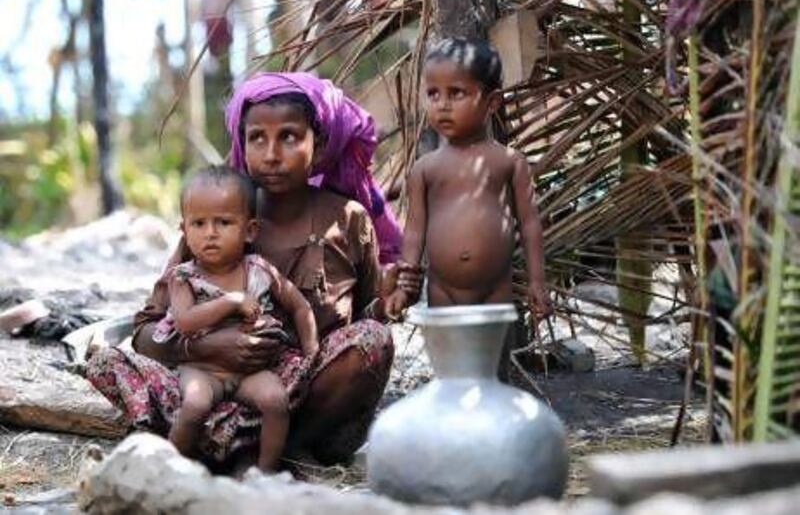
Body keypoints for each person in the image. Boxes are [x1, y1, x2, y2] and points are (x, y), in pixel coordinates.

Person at [87, 72, 421, 468]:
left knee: (372, 340)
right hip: (207, 392)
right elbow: (146, 333)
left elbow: (366, 320)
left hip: (300, 402)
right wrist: (211, 346)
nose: (271, 154)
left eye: (290, 137)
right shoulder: (218, 217)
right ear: (242, 143)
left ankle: (282, 452)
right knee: (106, 361)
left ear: (320, 143)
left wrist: (391, 300)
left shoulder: (348, 221)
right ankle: (214, 446)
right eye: (257, 137)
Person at [159, 166, 317, 471]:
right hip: (202, 369)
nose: (211, 233)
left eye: (224, 222)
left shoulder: (258, 270)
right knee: (194, 406)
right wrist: (232, 301)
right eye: (199, 223)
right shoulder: (184, 278)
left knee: (276, 402)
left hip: (250, 371)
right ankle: (169, 469)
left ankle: (265, 473)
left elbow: (299, 306)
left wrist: (311, 351)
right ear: (184, 231)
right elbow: (185, 322)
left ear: (250, 230)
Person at [386, 38, 551, 318]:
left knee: (497, 358)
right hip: (442, 290)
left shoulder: (508, 162)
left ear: (492, 102)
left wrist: (537, 281)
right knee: (451, 358)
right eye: (433, 94)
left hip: (496, 288)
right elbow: (414, 232)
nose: (442, 105)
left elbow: (530, 224)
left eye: (456, 93)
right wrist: (404, 286)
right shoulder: (425, 169)